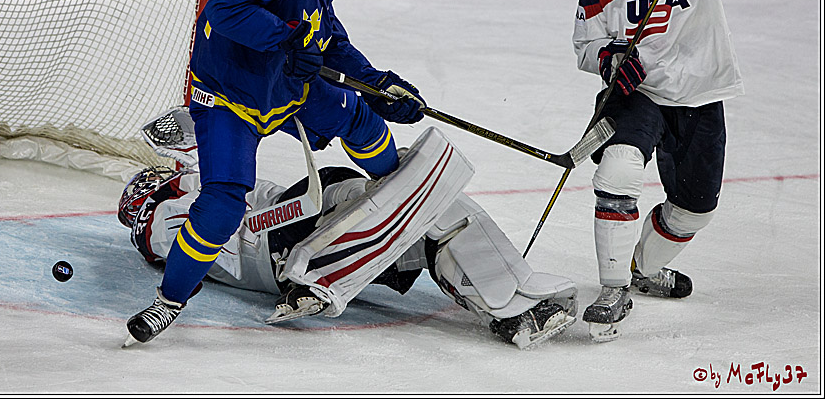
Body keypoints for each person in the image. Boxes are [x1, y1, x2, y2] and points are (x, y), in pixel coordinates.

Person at [123, 0, 427, 344]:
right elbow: (225, 10)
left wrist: (377, 82)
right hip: (229, 99)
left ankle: (398, 193)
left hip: (284, 89)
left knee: (363, 119)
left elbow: (326, 38)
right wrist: (287, 39)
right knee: (223, 203)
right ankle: (169, 301)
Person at [119, 110, 579, 350]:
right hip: (286, 235)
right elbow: (216, 220)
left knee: (436, 216)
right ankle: (314, 271)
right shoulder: (162, 223)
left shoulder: (179, 215)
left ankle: (510, 313)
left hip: (307, 236)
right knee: (368, 190)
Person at [574, 0, 782, 341]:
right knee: (619, 170)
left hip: (702, 96)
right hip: (639, 96)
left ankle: (643, 268)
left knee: (695, 208)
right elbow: (585, 45)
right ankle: (613, 290)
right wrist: (608, 60)